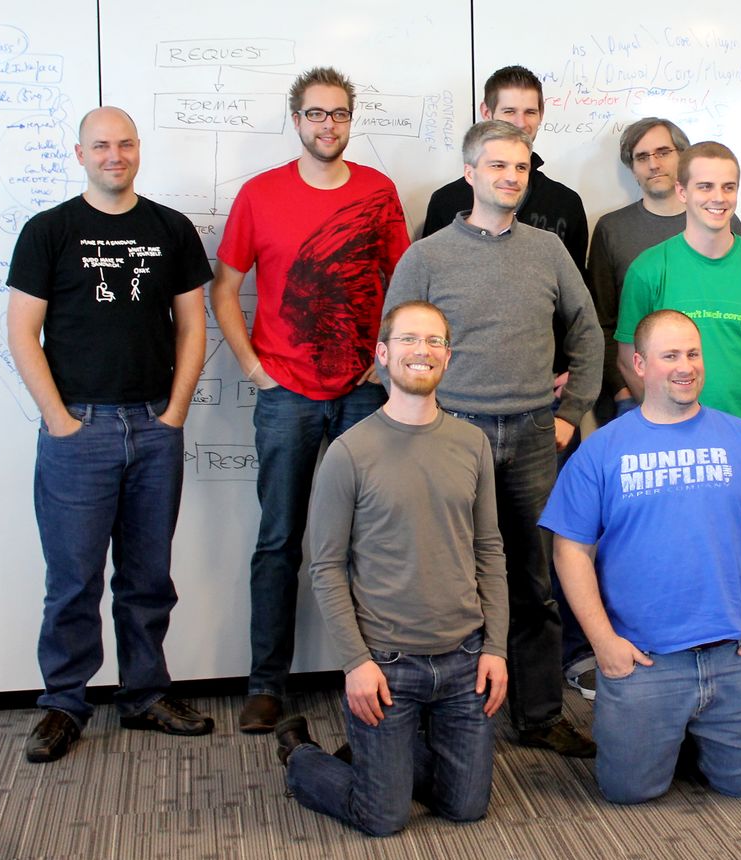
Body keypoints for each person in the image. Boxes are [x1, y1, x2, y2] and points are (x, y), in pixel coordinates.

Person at [383, 120, 602, 757]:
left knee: (534, 581)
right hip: (452, 435)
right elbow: (395, 347)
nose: (510, 177)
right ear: (470, 173)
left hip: (534, 434)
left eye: (521, 167)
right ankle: (442, 717)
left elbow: (587, 332)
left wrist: (572, 411)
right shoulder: (427, 256)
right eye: (498, 165)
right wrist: (417, 427)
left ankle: (538, 716)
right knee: (447, 582)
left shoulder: (548, 251)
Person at [7, 106, 214, 763]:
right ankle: (64, 704)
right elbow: (22, 332)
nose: (114, 156)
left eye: (124, 144)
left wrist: (175, 412)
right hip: (80, 431)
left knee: (148, 577)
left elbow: (193, 325)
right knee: (73, 581)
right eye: (100, 146)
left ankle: (145, 695)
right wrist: (59, 420)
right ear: (80, 154)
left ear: (138, 149)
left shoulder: (171, 229)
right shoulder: (49, 231)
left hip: (154, 427)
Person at [542, 310, 741, 803]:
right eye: (670, 356)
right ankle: (674, 732)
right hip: (645, 660)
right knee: (628, 791)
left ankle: (688, 733)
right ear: (640, 364)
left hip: (737, 656)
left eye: (693, 354)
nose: (685, 366)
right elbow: (570, 550)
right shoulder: (603, 450)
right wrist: (603, 643)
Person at [211, 66, 411, 733]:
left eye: (340, 114)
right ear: (296, 120)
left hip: (363, 394)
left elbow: (403, 284)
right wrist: (254, 367)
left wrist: (387, 365)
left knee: (377, 540)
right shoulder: (259, 195)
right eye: (317, 113)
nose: (329, 125)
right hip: (287, 395)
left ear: (351, 120)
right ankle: (266, 684)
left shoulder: (378, 192)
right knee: (279, 539)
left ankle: (386, 669)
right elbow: (223, 288)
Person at [275, 301, 508, 837]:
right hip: (387, 665)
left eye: (433, 341)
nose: (421, 351)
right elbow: (326, 566)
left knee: (466, 807)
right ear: (382, 354)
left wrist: (495, 647)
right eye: (408, 340)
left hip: (464, 660)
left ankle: (383, 757)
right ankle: (300, 755)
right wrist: (355, 663)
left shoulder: (471, 444)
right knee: (383, 818)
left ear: (448, 357)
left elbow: (490, 550)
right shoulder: (349, 452)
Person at [614, 141, 741, 734]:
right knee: (689, 569)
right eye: (704, 186)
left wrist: (737, 411)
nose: (717, 198)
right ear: (682, 192)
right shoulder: (651, 268)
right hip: (674, 448)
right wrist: (671, 414)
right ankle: (689, 696)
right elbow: (629, 355)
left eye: (728, 187)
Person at [587, 118, 741, 424]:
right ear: (632, 168)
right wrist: (621, 389)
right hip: (638, 398)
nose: (653, 164)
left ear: (683, 158)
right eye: (642, 157)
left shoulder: (724, 220)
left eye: (663, 152)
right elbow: (602, 321)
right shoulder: (612, 230)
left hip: (722, 401)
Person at [421, 65, 587, 269]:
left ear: (541, 115)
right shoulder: (445, 201)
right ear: (486, 112)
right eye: (509, 111)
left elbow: (575, 284)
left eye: (530, 112)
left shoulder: (566, 203)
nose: (520, 123)